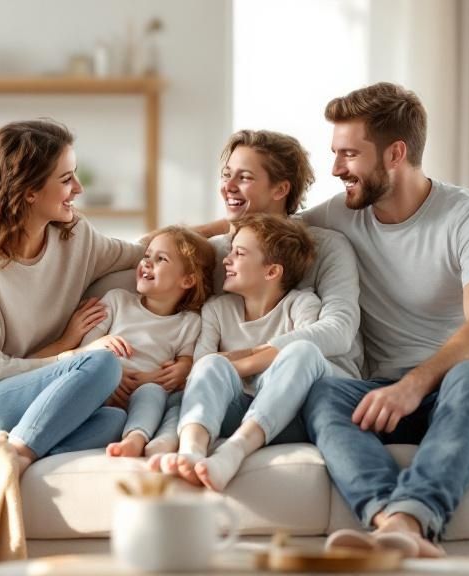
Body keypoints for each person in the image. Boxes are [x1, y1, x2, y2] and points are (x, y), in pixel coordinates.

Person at [300, 82, 469, 558]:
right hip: (394, 397)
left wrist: (415, 382)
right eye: (335, 153)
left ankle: (413, 518)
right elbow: (255, 230)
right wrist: (162, 243)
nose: (335, 169)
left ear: (395, 153)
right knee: (326, 391)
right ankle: (390, 522)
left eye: (349, 154)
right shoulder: (342, 216)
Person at [0, 119, 150, 476]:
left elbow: (145, 253)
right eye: (67, 179)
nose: (79, 189)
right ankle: (18, 456)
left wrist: (222, 230)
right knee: (101, 364)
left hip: (27, 392)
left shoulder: (76, 238)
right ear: (28, 191)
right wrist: (68, 351)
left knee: (114, 420)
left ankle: (9, 449)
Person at [145, 129, 364, 463]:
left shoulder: (327, 247)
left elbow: (339, 330)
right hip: (240, 394)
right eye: (225, 175)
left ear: (280, 188)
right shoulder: (214, 255)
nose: (228, 186)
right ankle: (187, 449)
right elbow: (145, 257)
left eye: (244, 177)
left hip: (320, 393)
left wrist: (246, 358)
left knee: (296, 355)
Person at [168, 214, 342, 492]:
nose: (227, 259)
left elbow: (304, 360)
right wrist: (223, 364)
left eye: (239, 253)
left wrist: (237, 363)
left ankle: (233, 452)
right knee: (210, 363)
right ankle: (191, 451)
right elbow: (202, 368)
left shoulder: (301, 304)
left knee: (303, 350)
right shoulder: (217, 309)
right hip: (233, 410)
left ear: (272, 271)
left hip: (288, 416)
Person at [60, 226, 215, 459]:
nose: (147, 263)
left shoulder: (189, 323)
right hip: (101, 386)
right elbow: (87, 349)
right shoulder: (117, 300)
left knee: (152, 393)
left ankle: (136, 438)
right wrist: (112, 373)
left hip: (145, 392)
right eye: (146, 256)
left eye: (161, 258)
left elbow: (186, 361)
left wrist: (184, 367)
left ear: (187, 280)